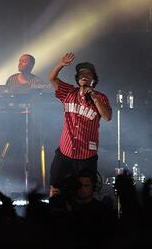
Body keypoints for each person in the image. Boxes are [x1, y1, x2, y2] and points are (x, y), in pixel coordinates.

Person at [47, 52, 112, 197]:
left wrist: (94, 97)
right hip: (65, 152)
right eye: (81, 74)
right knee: (56, 188)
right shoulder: (68, 92)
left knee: (85, 193)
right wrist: (61, 64)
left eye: (88, 74)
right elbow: (51, 78)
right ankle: (54, 215)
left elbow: (107, 117)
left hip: (86, 155)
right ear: (77, 78)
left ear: (94, 79)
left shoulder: (100, 97)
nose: (84, 75)